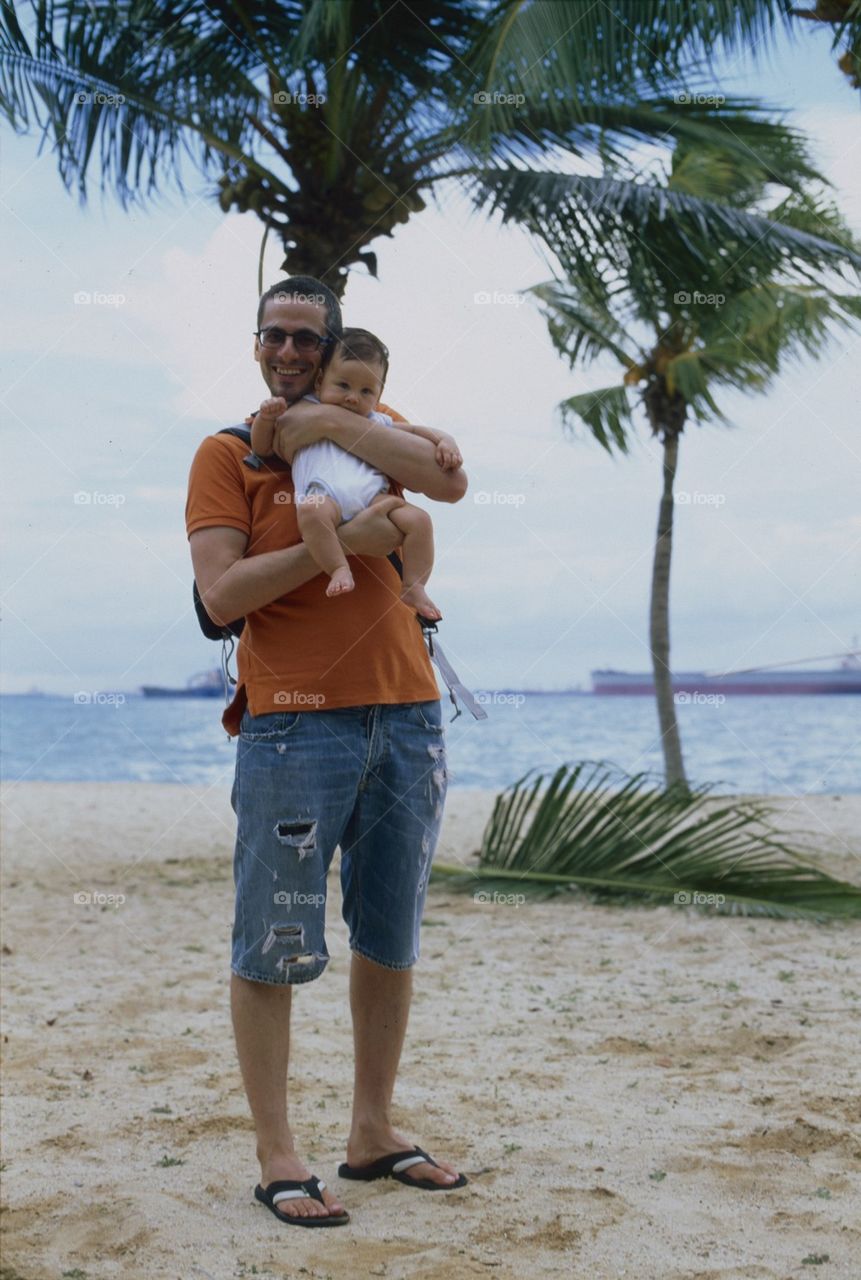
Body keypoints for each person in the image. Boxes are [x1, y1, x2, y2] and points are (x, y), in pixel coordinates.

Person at [185, 276, 469, 1227]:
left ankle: (372, 1134)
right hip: (293, 725)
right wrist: (332, 546)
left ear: (334, 344)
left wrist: (339, 428)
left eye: (310, 335)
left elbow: (446, 481)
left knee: (388, 936)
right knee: (275, 937)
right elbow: (221, 600)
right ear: (257, 344)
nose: (292, 349)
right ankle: (278, 1154)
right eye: (276, 334)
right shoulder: (228, 455)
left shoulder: (363, 416)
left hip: (408, 713)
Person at [249, 327, 461, 620]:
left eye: (366, 391)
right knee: (311, 513)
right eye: (343, 385)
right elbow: (261, 447)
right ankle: (338, 567)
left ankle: (414, 584)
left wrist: (445, 440)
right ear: (321, 380)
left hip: (374, 498)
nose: (352, 398)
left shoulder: (377, 420)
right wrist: (266, 417)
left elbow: (415, 431)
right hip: (324, 496)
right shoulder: (301, 412)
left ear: (379, 394)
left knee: (419, 521)